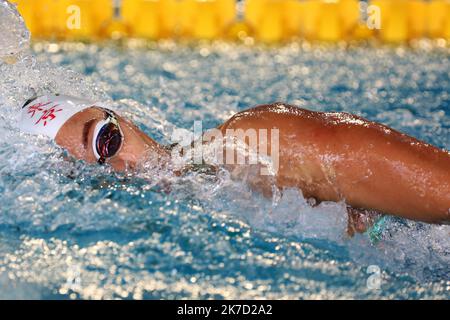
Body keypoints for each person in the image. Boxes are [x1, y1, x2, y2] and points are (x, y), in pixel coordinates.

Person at [20, 94, 450, 226]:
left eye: (107, 142)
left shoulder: (259, 144)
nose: (121, 174)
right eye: (82, 177)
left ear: (126, 122)